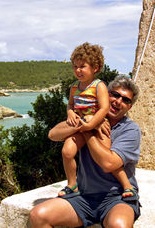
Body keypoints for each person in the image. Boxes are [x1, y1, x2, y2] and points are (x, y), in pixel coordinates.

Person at [30, 75, 141, 228]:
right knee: (38, 216)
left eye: (126, 100)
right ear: (105, 95)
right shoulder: (87, 116)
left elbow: (108, 164)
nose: (118, 101)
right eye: (115, 95)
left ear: (129, 107)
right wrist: (87, 121)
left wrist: (88, 130)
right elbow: (53, 134)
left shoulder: (130, 129)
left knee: (119, 226)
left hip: (117, 197)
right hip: (84, 196)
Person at [53, 42, 136, 201]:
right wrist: (70, 112)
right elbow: (71, 104)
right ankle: (72, 185)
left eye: (82, 66)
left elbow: (104, 108)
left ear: (95, 68)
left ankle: (127, 186)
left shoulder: (99, 86)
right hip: (81, 126)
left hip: (97, 127)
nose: (78, 70)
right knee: (67, 152)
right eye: (75, 66)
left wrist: (91, 124)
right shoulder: (74, 87)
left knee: (107, 159)